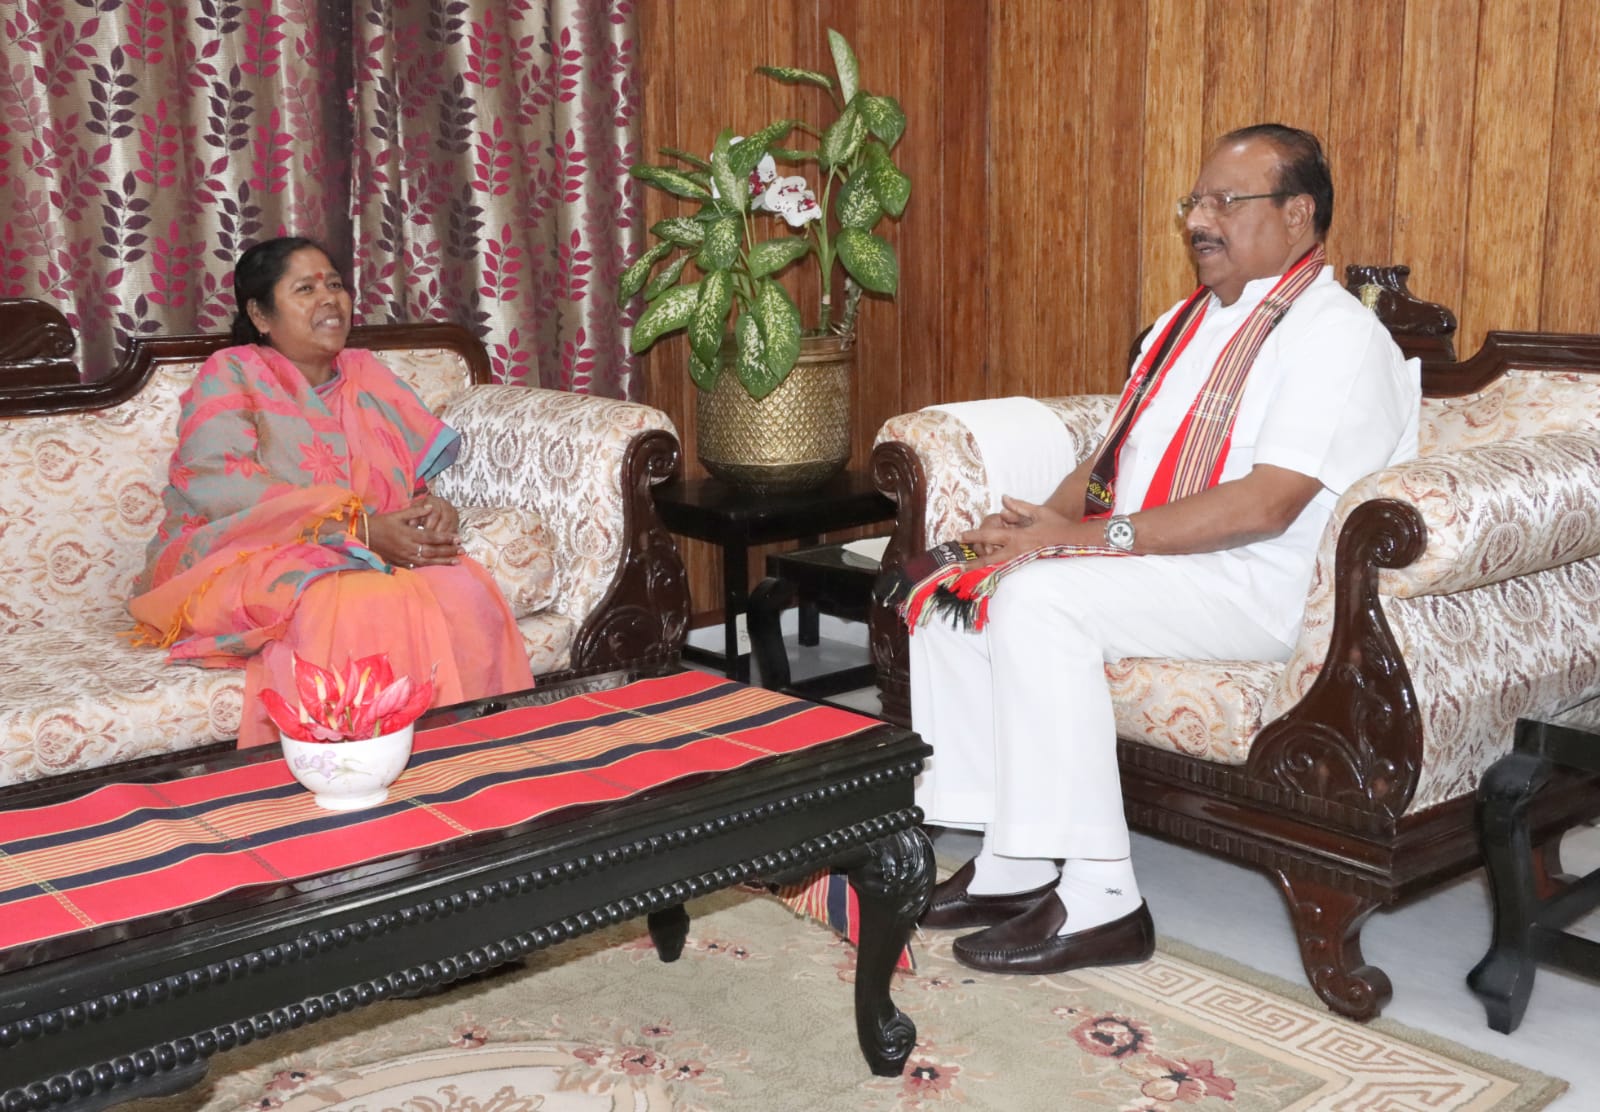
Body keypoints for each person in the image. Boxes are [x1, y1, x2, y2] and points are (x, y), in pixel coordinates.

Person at [909, 124, 1420, 974]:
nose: (1200, 221)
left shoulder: (1332, 336)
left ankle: (1105, 898)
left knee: (1039, 599)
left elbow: (1267, 505)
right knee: (963, 586)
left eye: (1227, 202)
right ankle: (1015, 859)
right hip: (1161, 565)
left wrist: (1078, 544)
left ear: (1299, 215)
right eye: (1195, 201)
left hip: (1259, 586)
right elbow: (1117, 456)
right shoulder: (1183, 325)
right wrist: (1034, 525)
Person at [130, 236, 534, 746]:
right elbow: (218, 481)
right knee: (357, 600)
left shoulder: (367, 375)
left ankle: (473, 756)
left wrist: (433, 511)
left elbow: (401, 483)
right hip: (245, 553)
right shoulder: (232, 372)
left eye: (336, 285)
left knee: (464, 586)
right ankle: (344, 769)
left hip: (364, 548)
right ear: (260, 313)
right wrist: (353, 528)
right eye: (305, 288)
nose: (329, 299)